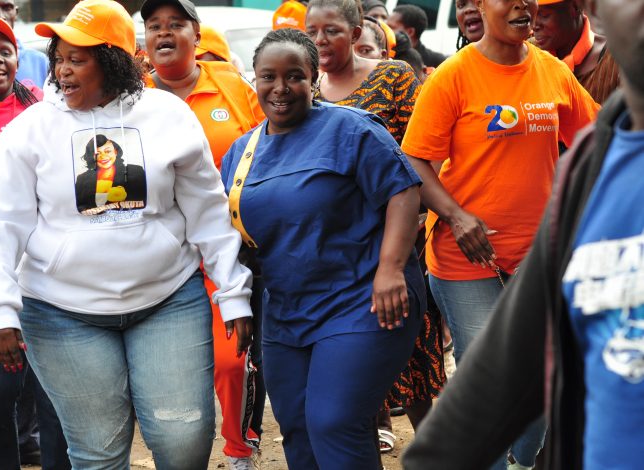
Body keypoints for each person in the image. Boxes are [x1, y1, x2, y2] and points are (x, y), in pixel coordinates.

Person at [0, 1, 254, 468]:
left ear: (113, 61)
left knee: (183, 443)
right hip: (62, 312)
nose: (62, 70)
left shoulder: (169, 116)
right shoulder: (31, 130)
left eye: (76, 59)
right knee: (98, 453)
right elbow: (1, 224)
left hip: (167, 300)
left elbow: (207, 210)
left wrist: (233, 293)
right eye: (59, 57)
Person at [404, 0, 644, 468]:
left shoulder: (552, 72)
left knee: (539, 391)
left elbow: (598, 136)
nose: (522, 5)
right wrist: (455, 216)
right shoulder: (453, 75)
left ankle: (521, 462)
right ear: (475, 7)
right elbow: (414, 160)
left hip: (539, 257)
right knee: (492, 386)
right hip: (467, 261)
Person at [221, 27, 426, 469]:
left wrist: (390, 269)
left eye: (294, 76)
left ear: (313, 77)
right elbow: (229, 234)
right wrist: (235, 301)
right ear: (253, 80)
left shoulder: (349, 129)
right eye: (268, 77)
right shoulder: (241, 153)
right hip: (287, 309)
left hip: (362, 298)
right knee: (297, 425)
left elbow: (405, 192)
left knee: (334, 420)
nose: (280, 88)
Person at [141, 1, 265, 468]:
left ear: (197, 35)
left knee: (233, 359)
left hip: (226, 248)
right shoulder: (131, 94)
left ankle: (239, 449)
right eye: (155, 26)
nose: (165, 33)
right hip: (159, 254)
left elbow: (265, 148)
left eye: (176, 25)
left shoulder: (231, 87)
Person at [0, 15, 71, 470]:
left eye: (4, 50)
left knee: (44, 384)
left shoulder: (40, 105)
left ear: (17, 56)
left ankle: (39, 450)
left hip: (42, 264)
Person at [307, 0, 421, 144]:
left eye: (331, 31)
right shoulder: (308, 88)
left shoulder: (394, 76)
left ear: (355, 34)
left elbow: (423, 148)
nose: (319, 40)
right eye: (311, 32)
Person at [533, 0, 620, 105]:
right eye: (531, 16)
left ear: (575, 7)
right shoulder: (526, 52)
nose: (534, 26)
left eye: (544, 15)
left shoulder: (616, 60)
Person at [74, 134, 147, 213]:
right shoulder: (82, 179)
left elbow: (144, 202)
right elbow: (79, 208)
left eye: (108, 151)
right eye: (97, 153)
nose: (103, 156)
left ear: (115, 152)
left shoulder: (135, 171)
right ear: (92, 156)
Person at [387, 4, 446, 68]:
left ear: (410, 32)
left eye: (391, 27)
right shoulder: (382, 54)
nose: (385, 29)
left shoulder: (438, 62)